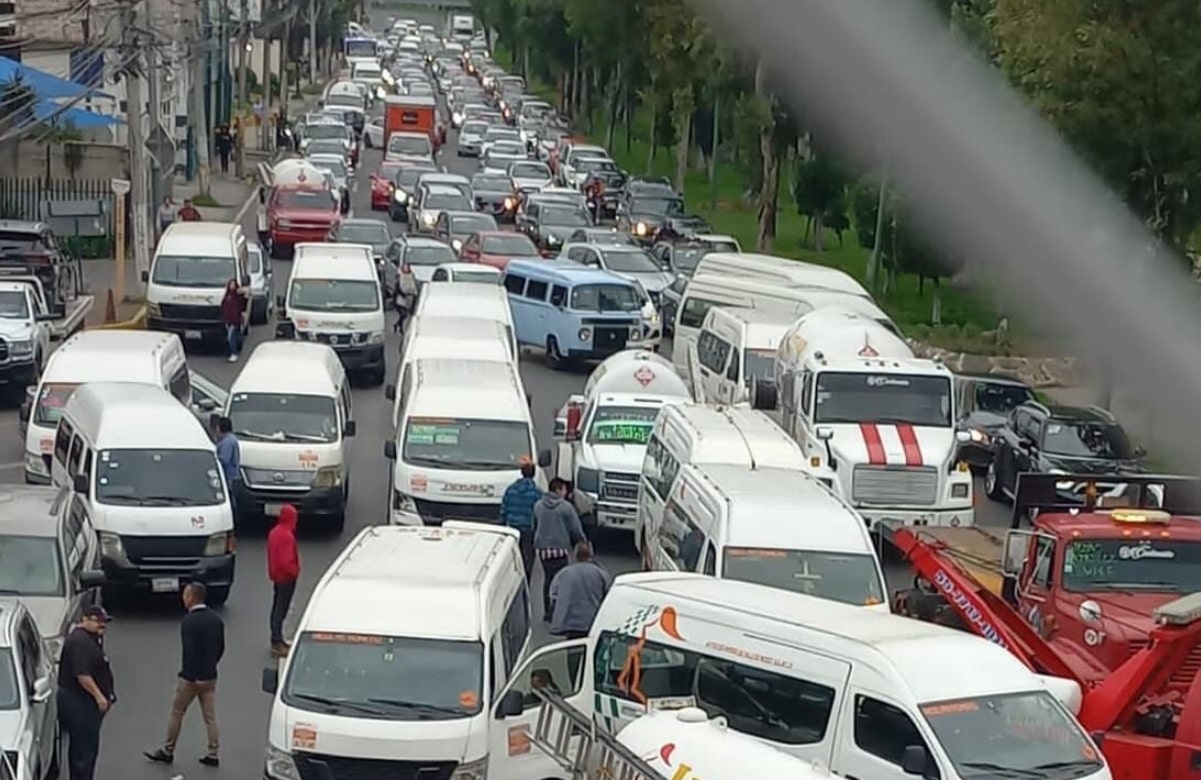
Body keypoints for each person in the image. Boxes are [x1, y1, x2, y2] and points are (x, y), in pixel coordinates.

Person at [144, 582, 225, 767]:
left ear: (191, 597)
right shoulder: (216, 620)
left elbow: (189, 651)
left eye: (185, 595)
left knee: (177, 712)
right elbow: (220, 648)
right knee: (210, 716)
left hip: (190, 678)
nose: (183, 598)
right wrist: (210, 667)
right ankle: (213, 753)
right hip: (210, 677)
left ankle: (168, 750)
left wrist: (191, 675)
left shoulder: (189, 621)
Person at [57, 605, 115, 780]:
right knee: (83, 751)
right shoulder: (80, 642)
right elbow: (82, 675)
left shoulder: (90, 638)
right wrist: (99, 697)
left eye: (104, 623)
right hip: (80, 704)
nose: (102, 626)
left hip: (84, 703)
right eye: (98, 622)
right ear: (85, 620)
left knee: (87, 748)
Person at [533, 478, 587, 620]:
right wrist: (582, 541)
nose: (565, 492)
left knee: (548, 579)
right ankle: (557, 610)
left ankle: (547, 611)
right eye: (563, 489)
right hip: (560, 549)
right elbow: (575, 528)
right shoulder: (566, 507)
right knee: (560, 581)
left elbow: (534, 524)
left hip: (543, 550)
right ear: (558, 490)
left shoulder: (538, 505)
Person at [548, 542, 612, 639]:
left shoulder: (563, 573)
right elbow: (609, 595)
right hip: (593, 621)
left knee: (573, 649)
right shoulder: (600, 573)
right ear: (590, 555)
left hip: (571, 623)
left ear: (575, 555)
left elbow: (553, 596)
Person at [267, 504, 301, 657]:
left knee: (277, 606)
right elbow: (286, 560)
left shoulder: (275, 533)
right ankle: (276, 642)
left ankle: (277, 639)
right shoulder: (287, 535)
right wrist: (295, 571)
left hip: (277, 576)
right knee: (281, 608)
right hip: (286, 577)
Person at [500, 459, 542, 579]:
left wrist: (503, 525)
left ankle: (513, 578)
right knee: (527, 558)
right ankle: (525, 580)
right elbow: (539, 513)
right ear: (533, 474)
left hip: (512, 527)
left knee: (513, 557)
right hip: (529, 528)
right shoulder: (536, 492)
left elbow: (504, 509)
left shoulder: (511, 489)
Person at [215, 417, 241, 515]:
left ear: (220, 428)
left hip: (228, 478)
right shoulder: (232, 439)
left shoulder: (227, 442)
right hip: (233, 476)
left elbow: (224, 459)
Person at [220, 278, 246, 362]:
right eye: (231, 284)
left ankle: (234, 354)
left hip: (235, 320)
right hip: (228, 320)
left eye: (233, 284)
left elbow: (243, 304)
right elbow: (223, 306)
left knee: (230, 337)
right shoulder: (227, 295)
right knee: (234, 337)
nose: (232, 286)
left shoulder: (238, 296)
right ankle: (235, 350)